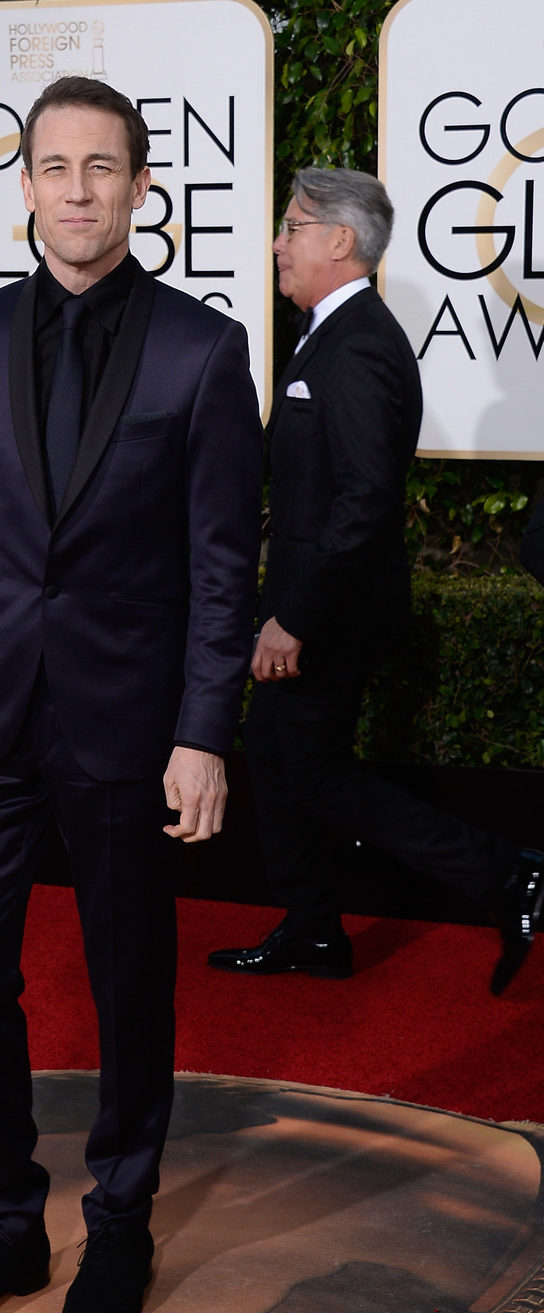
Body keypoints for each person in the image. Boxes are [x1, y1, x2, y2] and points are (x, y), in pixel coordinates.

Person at [0, 76, 262, 1313]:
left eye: (105, 167)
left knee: (127, 977)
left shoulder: (205, 349)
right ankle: (4, 1225)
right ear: (26, 184)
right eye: (56, 166)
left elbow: (222, 562)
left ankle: (123, 1218)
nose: (79, 189)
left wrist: (204, 729)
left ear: (142, 187)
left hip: (130, 724)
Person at [207, 167, 544, 997]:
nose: (278, 244)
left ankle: (509, 873)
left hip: (332, 614)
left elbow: (365, 502)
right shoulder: (334, 333)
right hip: (318, 605)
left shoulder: (357, 343)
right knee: (280, 757)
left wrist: (294, 619)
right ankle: (315, 929)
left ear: (339, 242)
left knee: (308, 766)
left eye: (292, 228)